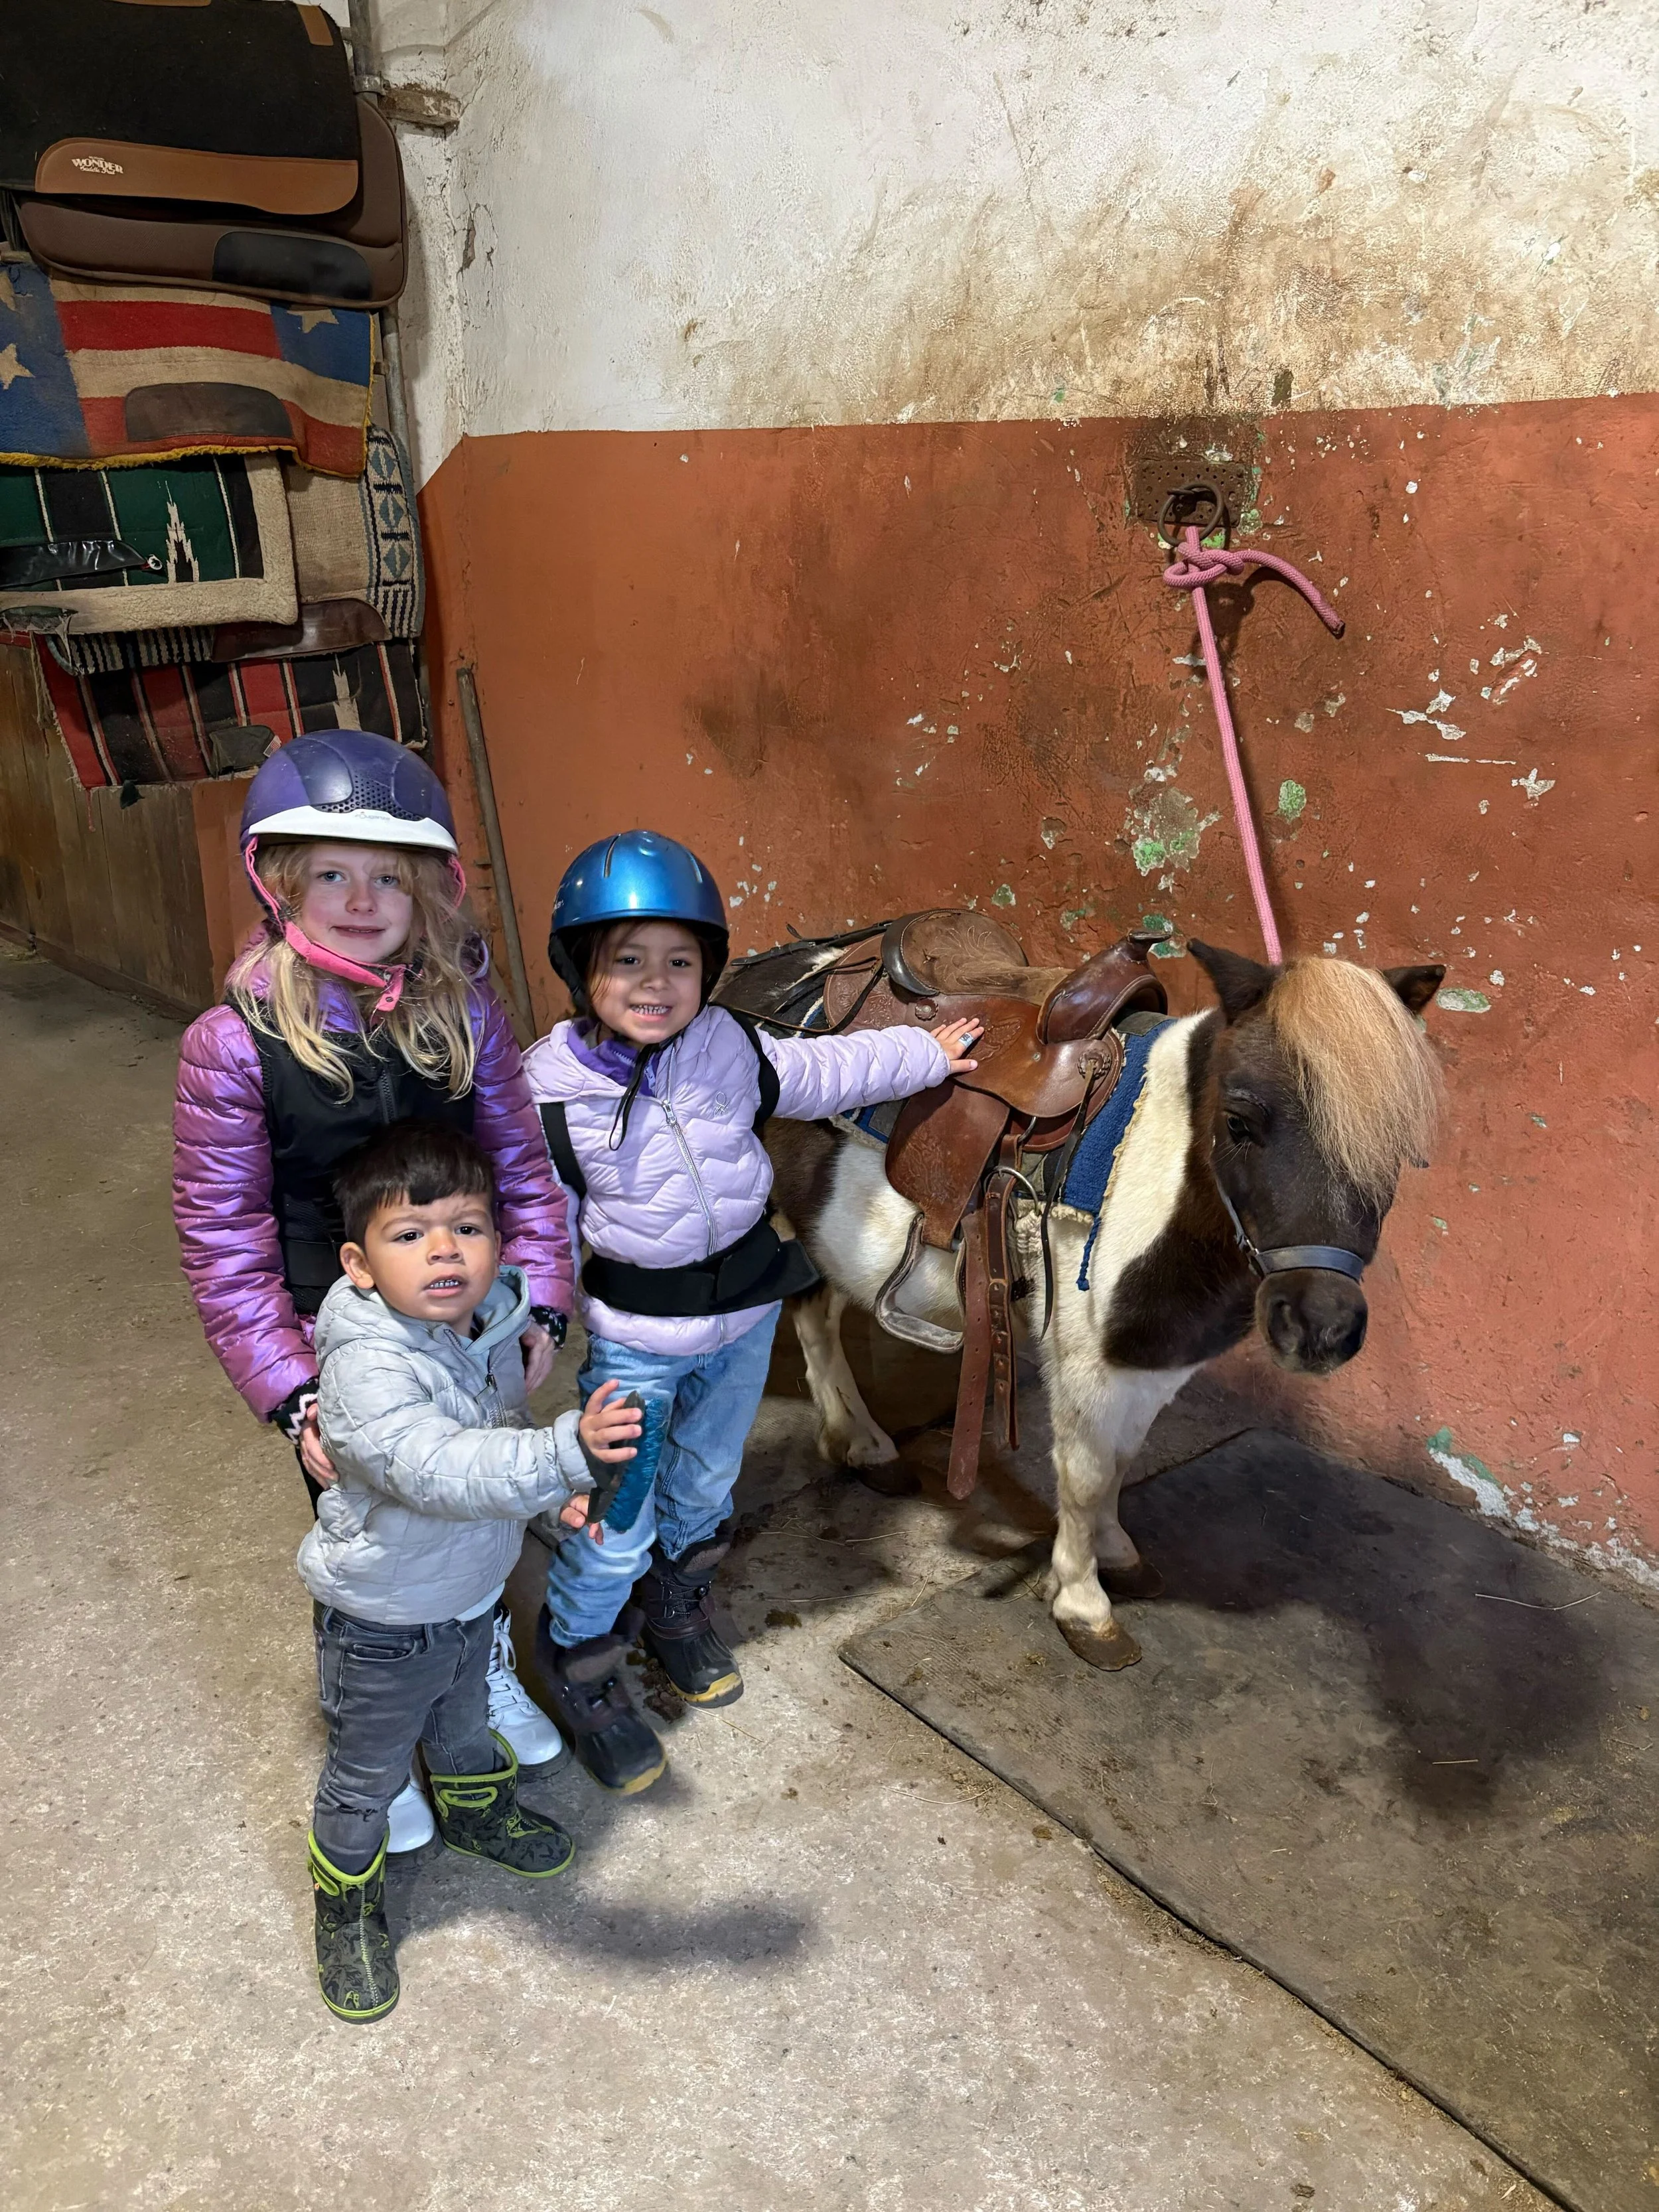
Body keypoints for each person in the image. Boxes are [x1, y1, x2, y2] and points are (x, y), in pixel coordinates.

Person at [173, 730, 575, 1853]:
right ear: (282, 881)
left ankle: (480, 1672)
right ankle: (375, 1737)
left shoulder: (468, 1015)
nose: (360, 899)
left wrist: (537, 1300)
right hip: (335, 1337)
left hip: (473, 1314)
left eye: (387, 876)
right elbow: (222, 1231)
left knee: (484, 1495)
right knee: (375, 1543)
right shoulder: (234, 1045)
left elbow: (521, 1171)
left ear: (425, 891)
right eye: (333, 874)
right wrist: (295, 1392)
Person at [524, 830, 983, 1795]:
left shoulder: (729, 1045)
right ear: (580, 968)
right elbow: (541, 1224)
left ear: (709, 972)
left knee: (706, 1484)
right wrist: (533, 1326)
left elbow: (828, 1072)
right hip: (638, 1347)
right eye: (629, 961)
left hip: (743, 1318)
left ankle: (680, 1612)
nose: (657, 984)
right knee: (618, 1514)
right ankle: (584, 1666)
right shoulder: (550, 1093)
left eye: (681, 963)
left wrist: (925, 1052)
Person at [302, 1118, 635, 2022]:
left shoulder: (480, 1328)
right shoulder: (367, 1366)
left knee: (461, 1722)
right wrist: (569, 1453)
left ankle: (477, 1812)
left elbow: (494, 1442)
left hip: (469, 1594)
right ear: (359, 1264)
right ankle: (347, 1902)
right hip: (383, 1615)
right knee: (365, 1774)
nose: (444, 1250)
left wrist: (539, 1499)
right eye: (409, 1235)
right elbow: (438, 1468)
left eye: (470, 1227)